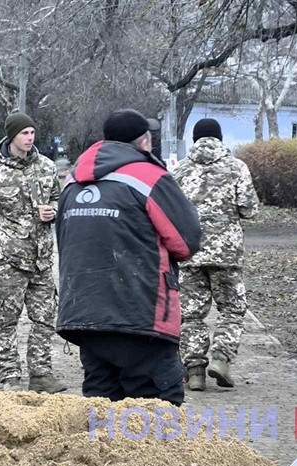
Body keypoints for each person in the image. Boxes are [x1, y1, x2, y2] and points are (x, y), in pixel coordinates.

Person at [55, 109, 202, 406]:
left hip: (85, 316)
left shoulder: (72, 181)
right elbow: (186, 243)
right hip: (141, 315)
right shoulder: (150, 177)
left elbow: (64, 238)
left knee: (102, 415)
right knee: (157, 415)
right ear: (144, 141)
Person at [0, 112, 67, 393]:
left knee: (43, 319)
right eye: (24, 133)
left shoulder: (46, 167)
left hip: (41, 260)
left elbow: (58, 198)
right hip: (10, 261)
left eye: (32, 133)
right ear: (12, 135)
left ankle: (41, 374)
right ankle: (9, 375)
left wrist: (54, 210)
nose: (30, 138)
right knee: (5, 321)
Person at [172, 118, 260, 391]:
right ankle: (221, 358)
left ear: (196, 139)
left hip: (189, 253)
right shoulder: (237, 168)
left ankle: (195, 370)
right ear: (220, 139)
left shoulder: (180, 171)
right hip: (227, 255)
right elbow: (249, 209)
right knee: (232, 309)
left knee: (191, 314)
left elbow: (170, 211)